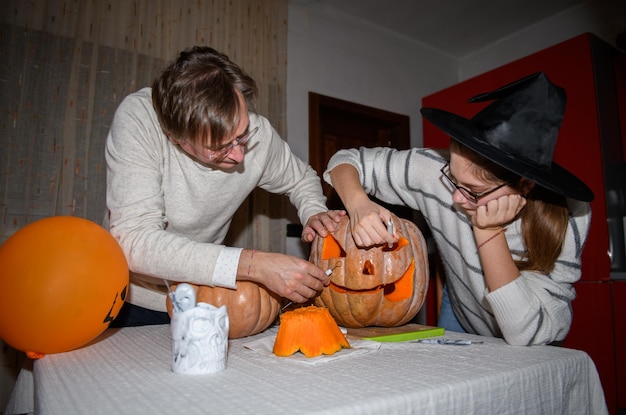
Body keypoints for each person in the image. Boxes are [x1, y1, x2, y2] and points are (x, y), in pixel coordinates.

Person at [324, 72, 593, 346]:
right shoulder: (434, 170)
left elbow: (524, 333)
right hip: (461, 307)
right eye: (453, 177)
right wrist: (358, 203)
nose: (454, 196)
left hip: (525, 332)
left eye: (473, 190)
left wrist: (487, 230)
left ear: (525, 185)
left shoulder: (571, 215)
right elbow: (345, 160)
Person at [105, 46, 345, 327]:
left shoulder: (260, 136)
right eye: (219, 148)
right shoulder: (139, 120)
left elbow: (301, 177)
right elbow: (134, 242)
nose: (240, 155)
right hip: (129, 298)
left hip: (201, 295)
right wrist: (253, 265)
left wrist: (314, 211)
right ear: (175, 138)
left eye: (242, 135)